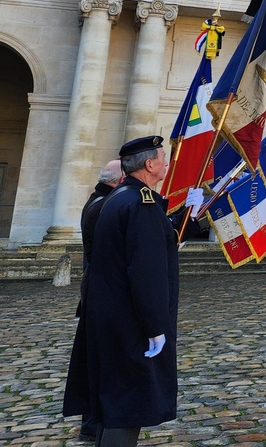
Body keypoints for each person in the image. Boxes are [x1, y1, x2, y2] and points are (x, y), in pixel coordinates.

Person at [63, 135, 197, 447]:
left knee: (115, 397)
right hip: (131, 321)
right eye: (162, 157)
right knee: (130, 401)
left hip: (110, 313)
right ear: (150, 164)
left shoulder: (120, 197)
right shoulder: (142, 204)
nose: (166, 162)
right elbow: (146, 271)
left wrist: (190, 218)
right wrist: (155, 326)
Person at [75, 160, 124, 440]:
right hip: (101, 294)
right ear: (118, 181)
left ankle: (93, 424)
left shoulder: (100, 201)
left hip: (97, 292)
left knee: (96, 359)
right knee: (100, 361)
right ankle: (94, 425)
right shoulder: (104, 206)